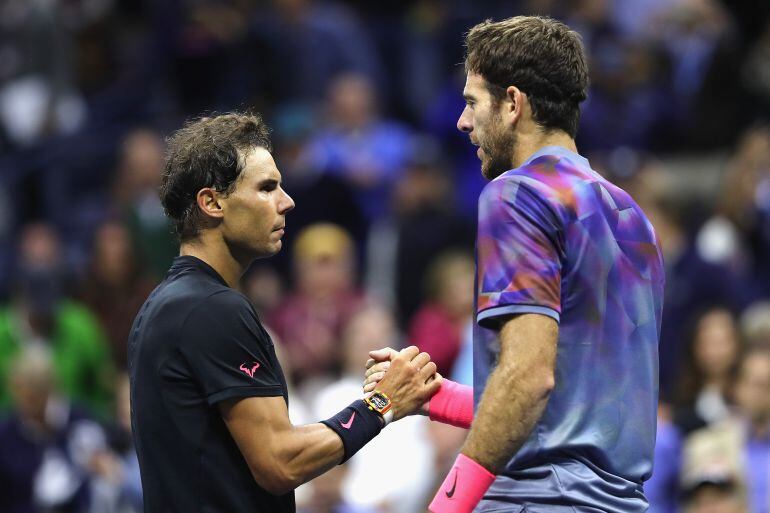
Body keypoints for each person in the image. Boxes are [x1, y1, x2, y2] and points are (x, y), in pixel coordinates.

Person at [366, 16, 665, 513]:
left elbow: (527, 379)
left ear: (512, 104)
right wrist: (436, 397)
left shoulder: (517, 194)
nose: (462, 122)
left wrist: (448, 504)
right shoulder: (632, 219)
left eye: (471, 102)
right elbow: (574, 414)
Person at [128, 112, 440, 513]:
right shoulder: (212, 308)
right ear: (211, 202)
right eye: (266, 187)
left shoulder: (164, 305)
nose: (286, 201)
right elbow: (279, 461)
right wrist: (383, 402)